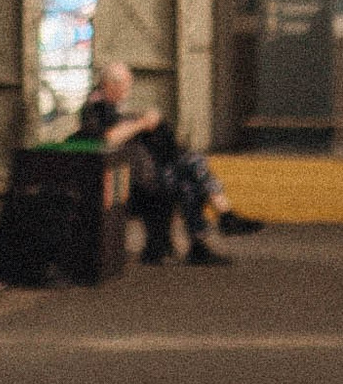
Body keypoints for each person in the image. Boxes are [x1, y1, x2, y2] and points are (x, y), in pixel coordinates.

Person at [77, 59, 259, 261]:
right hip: (125, 180)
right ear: (110, 85)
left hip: (142, 173)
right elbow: (107, 137)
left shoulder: (115, 107)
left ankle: (206, 236)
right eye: (125, 85)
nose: (128, 89)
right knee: (192, 166)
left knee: (189, 180)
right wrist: (142, 123)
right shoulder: (95, 107)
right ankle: (223, 217)